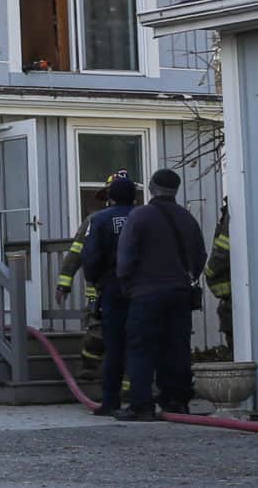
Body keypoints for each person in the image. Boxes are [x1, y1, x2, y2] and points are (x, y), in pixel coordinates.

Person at [116, 167, 208, 421]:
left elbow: (125, 258)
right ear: (176, 190)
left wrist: (128, 287)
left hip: (146, 294)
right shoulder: (187, 218)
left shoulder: (140, 216)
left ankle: (141, 405)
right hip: (180, 292)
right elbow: (200, 257)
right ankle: (176, 402)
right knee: (177, 348)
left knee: (142, 348)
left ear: (151, 187)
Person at [62, 172, 140, 415]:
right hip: (138, 291)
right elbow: (78, 252)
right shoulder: (144, 218)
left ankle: (115, 394)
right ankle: (94, 371)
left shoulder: (100, 220)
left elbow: (87, 255)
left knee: (114, 342)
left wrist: (88, 279)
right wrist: (65, 281)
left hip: (108, 291)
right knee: (116, 339)